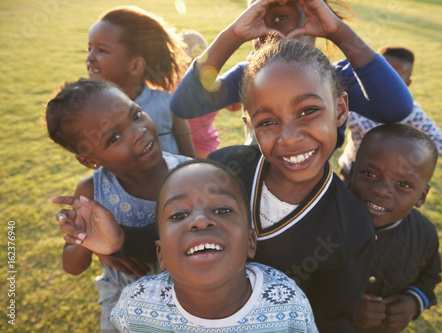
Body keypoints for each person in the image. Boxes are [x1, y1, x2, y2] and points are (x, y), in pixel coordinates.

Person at [54, 39, 375, 332]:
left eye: (308, 111)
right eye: (267, 121)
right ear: (250, 123)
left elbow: (333, 317)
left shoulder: (351, 227)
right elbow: (176, 234)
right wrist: (120, 240)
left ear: (340, 110)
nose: (289, 137)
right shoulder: (225, 168)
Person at [46, 79, 189, 332]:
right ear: (89, 160)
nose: (138, 132)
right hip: (123, 305)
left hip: (189, 297)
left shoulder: (189, 174)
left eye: (135, 114)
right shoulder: (92, 192)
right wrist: (85, 241)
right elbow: (72, 266)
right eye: (113, 137)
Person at [108, 159, 319, 332]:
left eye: (222, 210)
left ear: (250, 242)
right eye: (179, 214)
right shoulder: (135, 306)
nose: (200, 220)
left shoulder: (288, 305)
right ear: (161, 253)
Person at [170, 0, 413, 148]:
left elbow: (396, 108)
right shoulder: (249, 76)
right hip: (255, 188)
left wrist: (338, 31)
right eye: (267, 12)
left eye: (293, 13)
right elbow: (185, 106)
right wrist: (233, 34)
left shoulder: (336, 78)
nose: (280, 25)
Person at [348, 124, 442, 332]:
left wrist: (413, 302)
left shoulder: (424, 234)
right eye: (370, 174)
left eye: (404, 184)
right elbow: (295, 280)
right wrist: (344, 308)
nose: (381, 191)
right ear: (352, 171)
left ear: (422, 196)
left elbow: (430, 277)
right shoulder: (323, 221)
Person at [86, 6, 195, 156]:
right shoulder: (92, 110)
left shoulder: (168, 103)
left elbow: (191, 159)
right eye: (89, 48)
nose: (89, 57)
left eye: (102, 50)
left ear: (136, 66)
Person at [338, 45, 442, 182]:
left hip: (390, 183)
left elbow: (441, 145)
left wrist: (402, 159)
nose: (384, 81)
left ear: (407, 84)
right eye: (380, 73)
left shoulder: (413, 114)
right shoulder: (354, 102)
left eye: (394, 77)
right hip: (351, 173)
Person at [180, 30, 222, 158]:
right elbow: (234, 107)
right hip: (206, 144)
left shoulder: (172, 83)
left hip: (180, 143)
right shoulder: (213, 82)